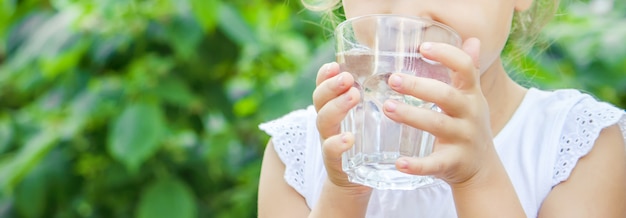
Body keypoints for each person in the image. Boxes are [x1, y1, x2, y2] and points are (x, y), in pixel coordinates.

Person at [257, 0, 626, 217]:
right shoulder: (296, 154)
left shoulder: (578, 146)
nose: (411, 13)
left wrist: (478, 176)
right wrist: (342, 193)